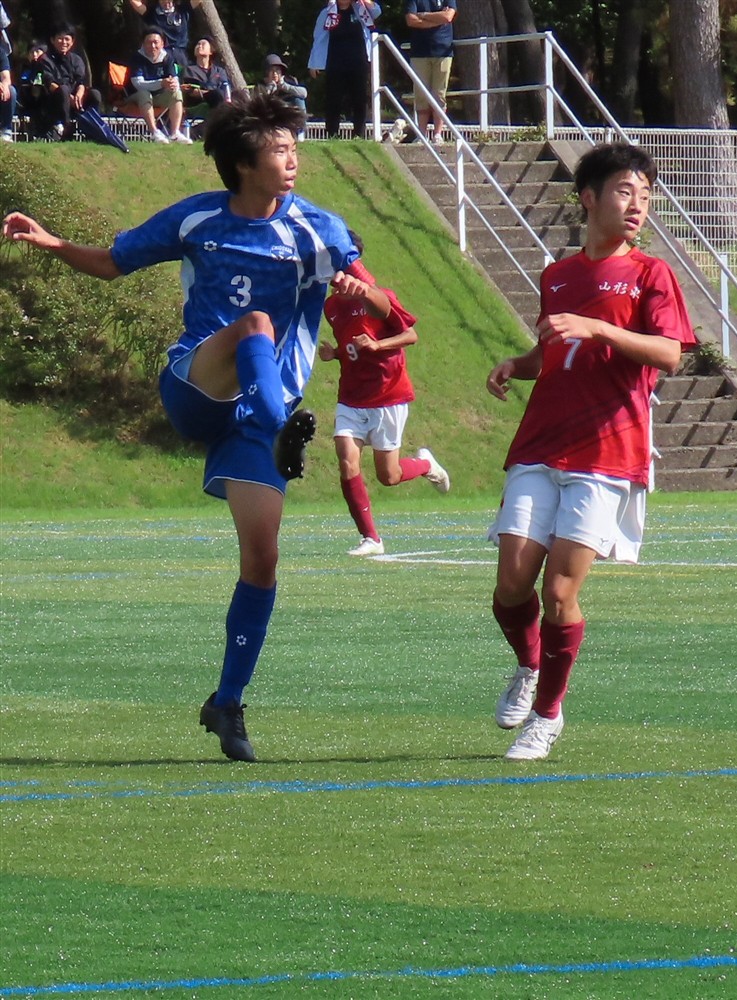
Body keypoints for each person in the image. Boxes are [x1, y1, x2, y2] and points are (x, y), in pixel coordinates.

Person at [2, 90, 358, 763]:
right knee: (254, 326)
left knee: (263, 558)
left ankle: (227, 701)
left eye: (293, 148)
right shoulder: (197, 218)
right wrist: (50, 241)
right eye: (280, 150)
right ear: (244, 164)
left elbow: (368, 288)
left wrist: (363, 294)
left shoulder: (318, 228)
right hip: (198, 386)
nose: (293, 159)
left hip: (255, 421)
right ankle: (280, 425)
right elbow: (112, 263)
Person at [485, 142, 697, 762]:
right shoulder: (558, 275)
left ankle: (547, 715)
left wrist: (601, 327)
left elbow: (669, 354)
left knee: (559, 592)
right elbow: (556, 351)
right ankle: (530, 666)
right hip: (540, 442)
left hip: (607, 451)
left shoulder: (652, 274)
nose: (638, 205)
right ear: (589, 198)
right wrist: (517, 364)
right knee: (510, 582)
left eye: (646, 195)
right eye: (626, 191)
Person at [318, 231, 450, 556]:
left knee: (388, 476)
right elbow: (353, 345)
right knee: (347, 461)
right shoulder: (331, 306)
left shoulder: (380, 298)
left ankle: (425, 464)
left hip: (388, 395)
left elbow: (410, 335)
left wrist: (378, 345)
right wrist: (335, 354)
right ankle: (371, 538)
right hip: (351, 397)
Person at [308, 0, 381, 139]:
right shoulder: (327, 13)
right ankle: (332, 133)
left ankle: (359, 133)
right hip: (335, 62)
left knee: (359, 98)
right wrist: (314, 63)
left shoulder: (360, 9)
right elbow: (318, 38)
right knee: (334, 99)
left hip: (358, 62)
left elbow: (377, 11)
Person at [404, 0, 457, 146]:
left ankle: (437, 135)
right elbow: (410, 20)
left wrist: (423, 15)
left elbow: (448, 17)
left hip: (443, 51)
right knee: (421, 95)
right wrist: (436, 20)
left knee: (439, 94)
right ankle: (421, 135)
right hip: (419, 52)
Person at [129, 26, 191, 144]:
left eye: (156, 42)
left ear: (162, 44)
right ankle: (154, 132)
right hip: (136, 98)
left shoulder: (167, 58)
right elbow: (138, 84)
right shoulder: (137, 58)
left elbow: (174, 79)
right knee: (144, 94)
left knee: (176, 92)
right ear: (143, 44)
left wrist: (173, 84)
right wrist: (161, 83)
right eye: (149, 42)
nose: (153, 46)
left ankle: (175, 133)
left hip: (159, 97)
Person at [39, 24, 102, 140]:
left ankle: (93, 128)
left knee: (95, 94)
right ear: (52, 40)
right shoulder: (45, 59)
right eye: (60, 38)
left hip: (76, 99)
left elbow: (81, 81)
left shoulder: (76, 59)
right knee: (63, 89)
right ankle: (66, 128)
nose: (64, 42)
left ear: (72, 42)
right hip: (55, 100)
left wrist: (79, 93)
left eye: (67, 39)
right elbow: (49, 83)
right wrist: (68, 98)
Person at [127, 0, 202, 71]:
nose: (166, 2)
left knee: (183, 76)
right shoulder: (151, 13)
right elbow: (136, 4)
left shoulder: (183, 9)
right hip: (162, 54)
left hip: (181, 53)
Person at [182, 36, 230, 109]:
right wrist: (208, 93)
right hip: (198, 102)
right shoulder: (189, 69)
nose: (199, 46)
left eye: (203, 44)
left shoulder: (219, 71)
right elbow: (190, 91)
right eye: (198, 44)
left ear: (211, 51)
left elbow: (225, 87)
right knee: (215, 94)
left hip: (219, 98)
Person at [0, 21, 15, 142]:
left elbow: (6, 78)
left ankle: (6, 131)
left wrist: (4, 85)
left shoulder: (1, 53)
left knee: (11, 91)